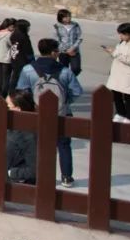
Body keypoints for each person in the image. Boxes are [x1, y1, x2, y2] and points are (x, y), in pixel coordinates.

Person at [17, 38, 83, 186]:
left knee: (36, 144)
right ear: (54, 52)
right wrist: (65, 102)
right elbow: (77, 91)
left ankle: (35, 174)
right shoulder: (65, 71)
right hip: (62, 113)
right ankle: (66, 177)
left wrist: (32, 105)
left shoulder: (28, 69)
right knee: (64, 145)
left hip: (37, 112)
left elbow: (22, 90)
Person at [105, 23, 130, 122]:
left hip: (129, 75)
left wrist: (115, 53)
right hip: (117, 73)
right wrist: (112, 52)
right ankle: (120, 113)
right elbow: (117, 55)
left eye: (123, 34)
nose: (120, 36)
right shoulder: (121, 43)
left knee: (129, 96)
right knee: (116, 94)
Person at [6, 90, 37, 185]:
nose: (5, 108)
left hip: (19, 186)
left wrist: (11, 173)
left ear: (18, 109)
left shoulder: (28, 135)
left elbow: (34, 169)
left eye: (8, 106)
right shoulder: (14, 127)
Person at [54, 9, 83, 76]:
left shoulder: (75, 25)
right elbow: (56, 40)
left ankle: (71, 79)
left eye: (69, 16)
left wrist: (72, 48)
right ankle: (66, 82)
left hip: (74, 51)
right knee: (63, 69)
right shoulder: (56, 27)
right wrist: (66, 50)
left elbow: (80, 37)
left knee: (76, 69)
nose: (68, 18)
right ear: (61, 18)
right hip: (63, 52)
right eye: (66, 17)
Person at [8, 19, 34, 94]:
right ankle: (16, 94)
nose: (29, 29)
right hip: (22, 60)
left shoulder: (14, 34)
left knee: (15, 77)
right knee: (19, 78)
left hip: (14, 58)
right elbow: (28, 50)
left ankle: (12, 92)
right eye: (28, 27)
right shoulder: (23, 37)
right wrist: (32, 61)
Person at [0, 18, 17, 98]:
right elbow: (13, 45)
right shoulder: (9, 34)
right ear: (11, 26)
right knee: (6, 78)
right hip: (6, 59)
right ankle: (4, 94)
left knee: (0, 76)